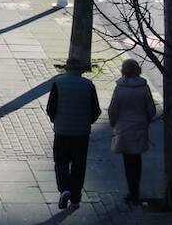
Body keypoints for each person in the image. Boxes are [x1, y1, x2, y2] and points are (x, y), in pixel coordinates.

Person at [46, 58, 102, 211]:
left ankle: (64, 189)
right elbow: (96, 110)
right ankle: (76, 198)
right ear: (81, 70)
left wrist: (56, 121)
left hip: (62, 131)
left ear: (67, 68)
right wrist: (87, 122)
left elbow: (51, 107)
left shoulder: (58, 82)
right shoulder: (88, 85)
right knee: (79, 165)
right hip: (81, 133)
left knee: (61, 162)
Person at [108, 59, 157, 206]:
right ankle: (136, 191)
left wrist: (114, 124)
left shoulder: (119, 89)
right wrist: (146, 120)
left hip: (123, 128)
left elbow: (112, 110)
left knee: (128, 161)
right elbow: (151, 109)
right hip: (139, 127)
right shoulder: (144, 88)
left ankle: (132, 192)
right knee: (137, 160)